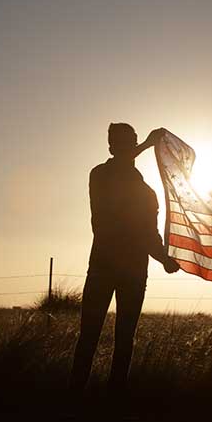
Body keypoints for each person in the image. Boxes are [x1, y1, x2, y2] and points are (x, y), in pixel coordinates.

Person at [69, 123, 180, 394]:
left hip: (132, 271)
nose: (127, 147)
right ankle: (74, 396)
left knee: (124, 338)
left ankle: (114, 399)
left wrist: (164, 258)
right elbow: (114, 191)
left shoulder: (147, 192)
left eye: (131, 141)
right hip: (103, 268)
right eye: (122, 143)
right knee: (89, 334)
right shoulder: (101, 175)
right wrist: (146, 145)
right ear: (111, 147)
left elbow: (150, 234)